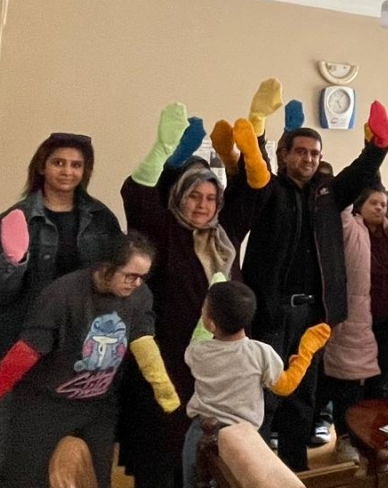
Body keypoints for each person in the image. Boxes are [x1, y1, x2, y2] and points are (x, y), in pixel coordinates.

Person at [116, 91, 275, 487]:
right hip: (171, 358)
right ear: (179, 196)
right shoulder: (162, 230)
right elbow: (135, 193)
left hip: (222, 366)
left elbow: (257, 192)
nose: (203, 205)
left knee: (212, 456)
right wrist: (162, 149)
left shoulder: (224, 233)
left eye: (211, 198)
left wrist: (256, 137)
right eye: (194, 196)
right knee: (164, 446)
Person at [0, 233, 180, 488]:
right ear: (106, 267)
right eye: (130, 275)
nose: (137, 283)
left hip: (98, 404)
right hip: (45, 404)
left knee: (97, 479)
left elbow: (143, 341)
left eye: (143, 277)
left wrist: (163, 387)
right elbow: (29, 349)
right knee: (26, 479)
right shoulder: (63, 294)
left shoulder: (140, 296)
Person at [243, 100, 388, 471]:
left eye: (314, 153)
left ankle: (296, 468)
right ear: (285, 155)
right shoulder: (268, 190)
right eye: (301, 152)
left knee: (302, 398)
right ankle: (259, 471)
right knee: (265, 396)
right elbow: (253, 165)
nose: (308, 158)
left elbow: (361, 172)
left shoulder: (327, 195)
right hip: (272, 313)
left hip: (312, 316)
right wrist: (257, 129)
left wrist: (378, 146)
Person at [0, 132, 123, 487]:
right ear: (42, 166)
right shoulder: (15, 219)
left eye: (76, 165)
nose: (67, 172)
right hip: (14, 349)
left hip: (76, 359)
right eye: (59, 163)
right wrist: (14, 262)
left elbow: (115, 287)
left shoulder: (101, 219)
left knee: (67, 465)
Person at [320, 170, 388, 463]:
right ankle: (346, 439)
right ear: (360, 205)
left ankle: (372, 440)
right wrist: (368, 164)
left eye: (383, 203)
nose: (380, 208)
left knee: (379, 386)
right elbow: (341, 202)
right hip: (355, 323)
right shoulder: (349, 226)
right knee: (348, 386)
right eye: (373, 203)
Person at [181, 281, 330, 483]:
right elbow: (285, 386)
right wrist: (306, 352)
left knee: (194, 480)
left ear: (211, 324)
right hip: (246, 437)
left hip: (201, 433)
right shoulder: (261, 353)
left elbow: (199, 335)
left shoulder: (198, 352)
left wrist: (215, 283)